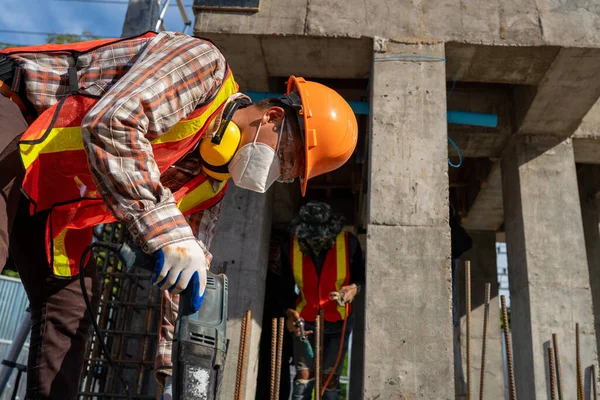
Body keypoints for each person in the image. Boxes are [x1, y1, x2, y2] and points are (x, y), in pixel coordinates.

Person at [0, 31, 358, 399]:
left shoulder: (210, 185)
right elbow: (112, 122)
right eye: (284, 159)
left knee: (69, 312)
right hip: (21, 110)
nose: (275, 175)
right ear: (273, 116)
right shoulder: (204, 66)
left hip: (56, 197)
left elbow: (186, 279)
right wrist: (166, 231)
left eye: (286, 175)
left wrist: (177, 371)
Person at [278, 201, 365, 400]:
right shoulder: (291, 246)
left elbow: (360, 278)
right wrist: (289, 312)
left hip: (338, 321)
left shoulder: (349, 244)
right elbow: (284, 286)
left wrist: (352, 289)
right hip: (304, 320)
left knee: (329, 379)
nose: (314, 242)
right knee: (304, 376)